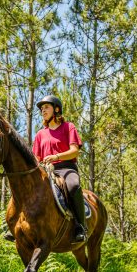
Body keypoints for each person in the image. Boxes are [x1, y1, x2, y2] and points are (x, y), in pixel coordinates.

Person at [32, 95, 86, 242]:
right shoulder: (39, 134)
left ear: (56, 109)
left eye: (46, 107)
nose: (43, 110)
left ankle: (80, 226)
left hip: (66, 168)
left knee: (73, 185)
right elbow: (36, 158)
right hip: (45, 170)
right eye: (41, 109)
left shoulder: (68, 127)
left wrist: (56, 157)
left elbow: (75, 151)